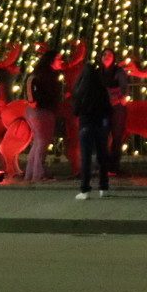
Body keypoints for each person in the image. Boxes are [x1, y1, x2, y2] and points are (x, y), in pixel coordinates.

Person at [71, 47, 112, 199]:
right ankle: (103, 188)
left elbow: (75, 109)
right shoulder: (101, 89)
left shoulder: (80, 91)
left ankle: (85, 190)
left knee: (86, 157)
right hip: (100, 125)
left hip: (86, 124)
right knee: (102, 156)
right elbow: (108, 108)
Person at [24, 50, 62, 183]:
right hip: (42, 111)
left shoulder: (45, 73)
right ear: (51, 60)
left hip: (38, 110)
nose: (61, 61)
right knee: (42, 142)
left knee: (38, 142)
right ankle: (38, 174)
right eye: (58, 58)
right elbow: (30, 81)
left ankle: (30, 173)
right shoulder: (46, 74)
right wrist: (32, 100)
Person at [99, 49, 130, 175]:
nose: (107, 56)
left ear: (113, 58)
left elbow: (124, 89)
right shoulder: (98, 72)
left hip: (117, 108)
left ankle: (113, 166)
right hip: (102, 108)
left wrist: (119, 99)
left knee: (117, 136)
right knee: (103, 136)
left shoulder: (118, 71)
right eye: (104, 54)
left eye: (110, 55)